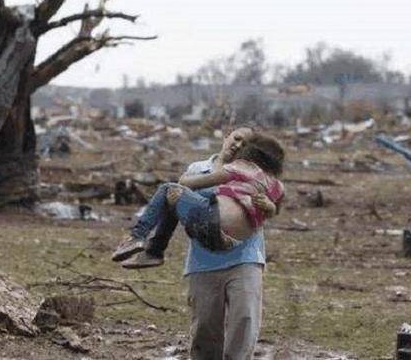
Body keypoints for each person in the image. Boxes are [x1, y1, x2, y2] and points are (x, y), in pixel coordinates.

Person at [122, 127, 276, 360]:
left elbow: (270, 207)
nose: (237, 145)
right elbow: (181, 203)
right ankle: (146, 246)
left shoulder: (257, 173)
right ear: (226, 137)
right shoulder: (197, 169)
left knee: (244, 321)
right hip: (203, 261)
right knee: (205, 328)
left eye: (244, 144)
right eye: (235, 138)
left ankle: (146, 245)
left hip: (245, 258)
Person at [111, 133, 284, 260]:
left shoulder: (240, 167)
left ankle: (138, 238)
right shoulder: (276, 185)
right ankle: (153, 252)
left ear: (251, 152)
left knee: (168, 190)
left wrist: (182, 184)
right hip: (232, 242)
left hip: (214, 225)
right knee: (191, 196)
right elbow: (272, 211)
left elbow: (190, 184)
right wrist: (270, 206)